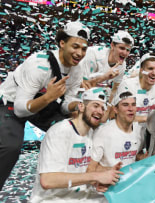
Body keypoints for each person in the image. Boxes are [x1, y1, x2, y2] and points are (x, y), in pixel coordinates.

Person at [0, 21, 90, 190]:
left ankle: (61, 186)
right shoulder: (39, 64)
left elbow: (64, 105)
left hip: (43, 106)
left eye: (84, 49)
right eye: (75, 46)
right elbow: (20, 110)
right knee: (10, 147)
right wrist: (49, 97)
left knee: (73, 133)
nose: (79, 53)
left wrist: (75, 106)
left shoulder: (77, 70)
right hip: (11, 105)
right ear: (62, 43)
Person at [30, 88, 122, 202]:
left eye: (103, 108)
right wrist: (95, 176)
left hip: (79, 196)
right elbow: (47, 180)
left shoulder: (91, 133)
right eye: (96, 105)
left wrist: (108, 171)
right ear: (81, 106)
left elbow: (81, 165)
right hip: (52, 199)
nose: (100, 111)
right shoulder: (60, 132)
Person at [87, 90, 146, 175]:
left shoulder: (140, 130)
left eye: (133, 105)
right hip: (110, 184)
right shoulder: (103, 132)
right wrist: (114, 170)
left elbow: (134, 155)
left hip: (132, 181)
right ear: (116, 109)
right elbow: (90, 168)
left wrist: (143, 157)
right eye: (125, 105)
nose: (131, 109)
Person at [81, 30, 134, 101]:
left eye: (128, 50)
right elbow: (84, 84)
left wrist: (109, 107)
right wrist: (105, 77)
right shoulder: (93, 54)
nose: (125, 53)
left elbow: (115, 89)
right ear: (112, 45)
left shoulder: (122, 65)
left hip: (95, 93)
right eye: (121, 48)